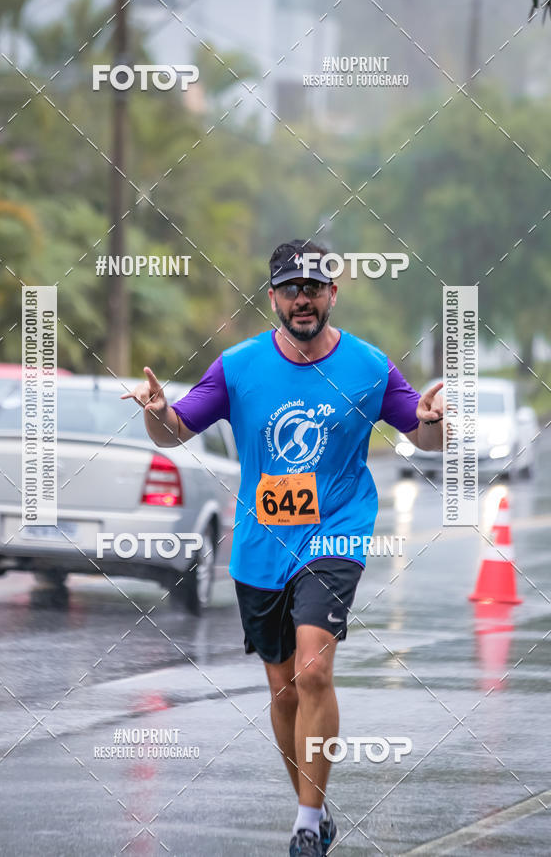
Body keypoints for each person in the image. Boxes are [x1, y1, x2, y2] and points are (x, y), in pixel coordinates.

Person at [122, 239, 445, 856]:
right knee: (283, 690)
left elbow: (425, 439)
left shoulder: (370, 366)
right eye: (291, 288)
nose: (303, 298)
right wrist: (156, 412)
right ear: (272, 297)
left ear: (332, 293)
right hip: (261, 543)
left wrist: (434, 424)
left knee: (313, 669)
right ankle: (311, 807)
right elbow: (175, 432)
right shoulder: (239, 366)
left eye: (314, 287)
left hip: (337, 531)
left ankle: (303, 822)